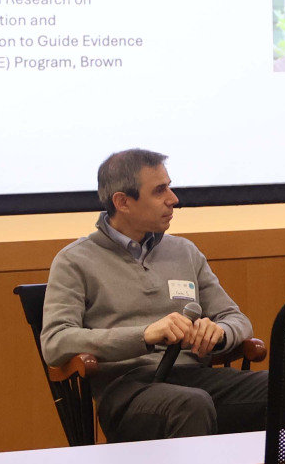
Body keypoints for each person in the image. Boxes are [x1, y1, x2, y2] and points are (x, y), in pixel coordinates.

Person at [42, 149, 264, 440]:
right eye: (160, 191)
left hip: (194, 376)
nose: (173, 199)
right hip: (127, 391)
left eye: (169, 187)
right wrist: (144, 335)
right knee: (191, 404)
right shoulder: (75, 261)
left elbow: (235, 319)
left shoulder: (183, 251)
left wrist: (219, 333)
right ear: (123, 202)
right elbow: (56, 342)